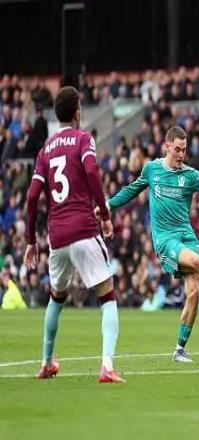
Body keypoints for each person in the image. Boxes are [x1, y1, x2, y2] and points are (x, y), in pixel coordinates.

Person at [103, 125, 199, 363]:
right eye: (177, 149)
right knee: (197, 262)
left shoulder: (190, 175)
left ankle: (179, 349)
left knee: (194, 294)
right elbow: (131, 190)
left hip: (187, 237)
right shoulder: (152, 169)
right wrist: (107, 206)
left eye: (184, 149)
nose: (181, 154)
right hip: (166, 240)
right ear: (167, 146)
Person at [23, 86, 124, 383]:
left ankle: (46, 362)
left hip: (57, 237)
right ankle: (107, 366)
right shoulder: (83, 139)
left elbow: (31, 197)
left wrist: (30, 241)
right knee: (108, 296)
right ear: (78, 112)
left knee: (56, 298)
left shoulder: (45, 150)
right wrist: (105, 214)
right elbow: (92, 172)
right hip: (82, 228)